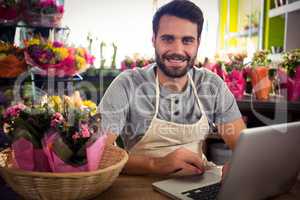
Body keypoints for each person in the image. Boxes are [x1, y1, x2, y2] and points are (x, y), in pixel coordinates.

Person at [99, 0, 246, 176]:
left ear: (198, 43)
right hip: (141, 185)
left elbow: (244, 148)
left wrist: (239, 165)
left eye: (187, 40)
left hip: (198, 183)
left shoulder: (212, 85)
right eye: (168, 39)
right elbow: (98, 155)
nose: (177, 49)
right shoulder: (128, 84)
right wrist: (154, 164)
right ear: (154, 40)